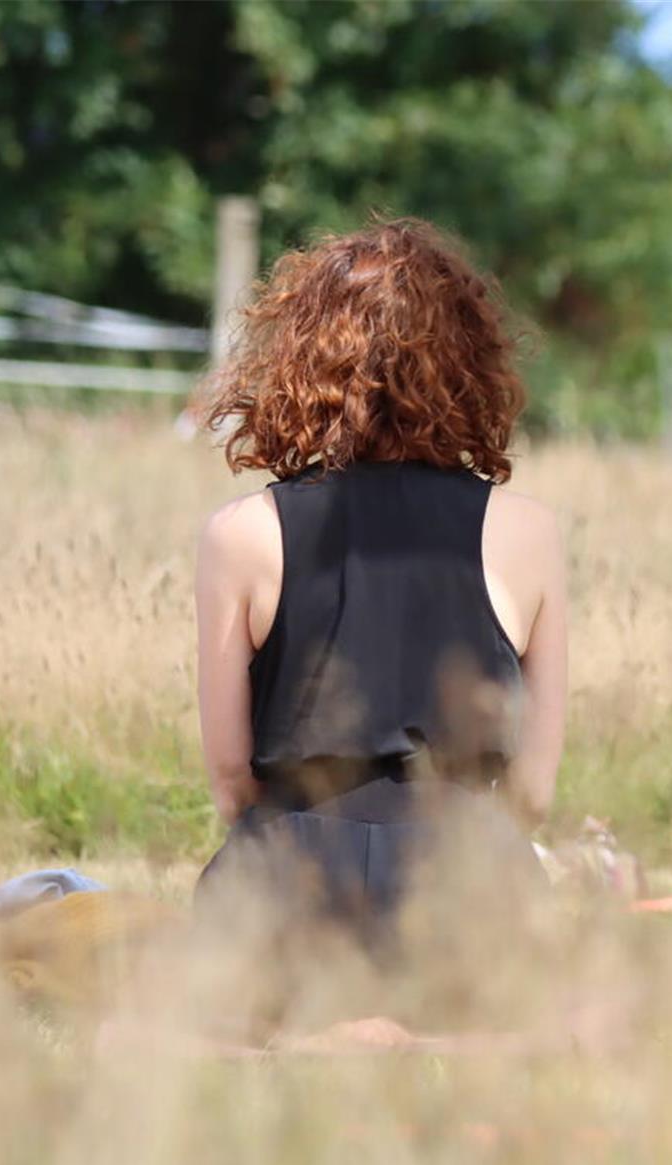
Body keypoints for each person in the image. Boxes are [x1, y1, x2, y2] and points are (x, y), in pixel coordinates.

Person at [189, 218, 566, 1007]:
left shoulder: (241, 534)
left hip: (288, 891)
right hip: (466, 889)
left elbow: (231, 779)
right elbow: (532, 789)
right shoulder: (528, 532)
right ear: (469, 362)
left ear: (299, 356)